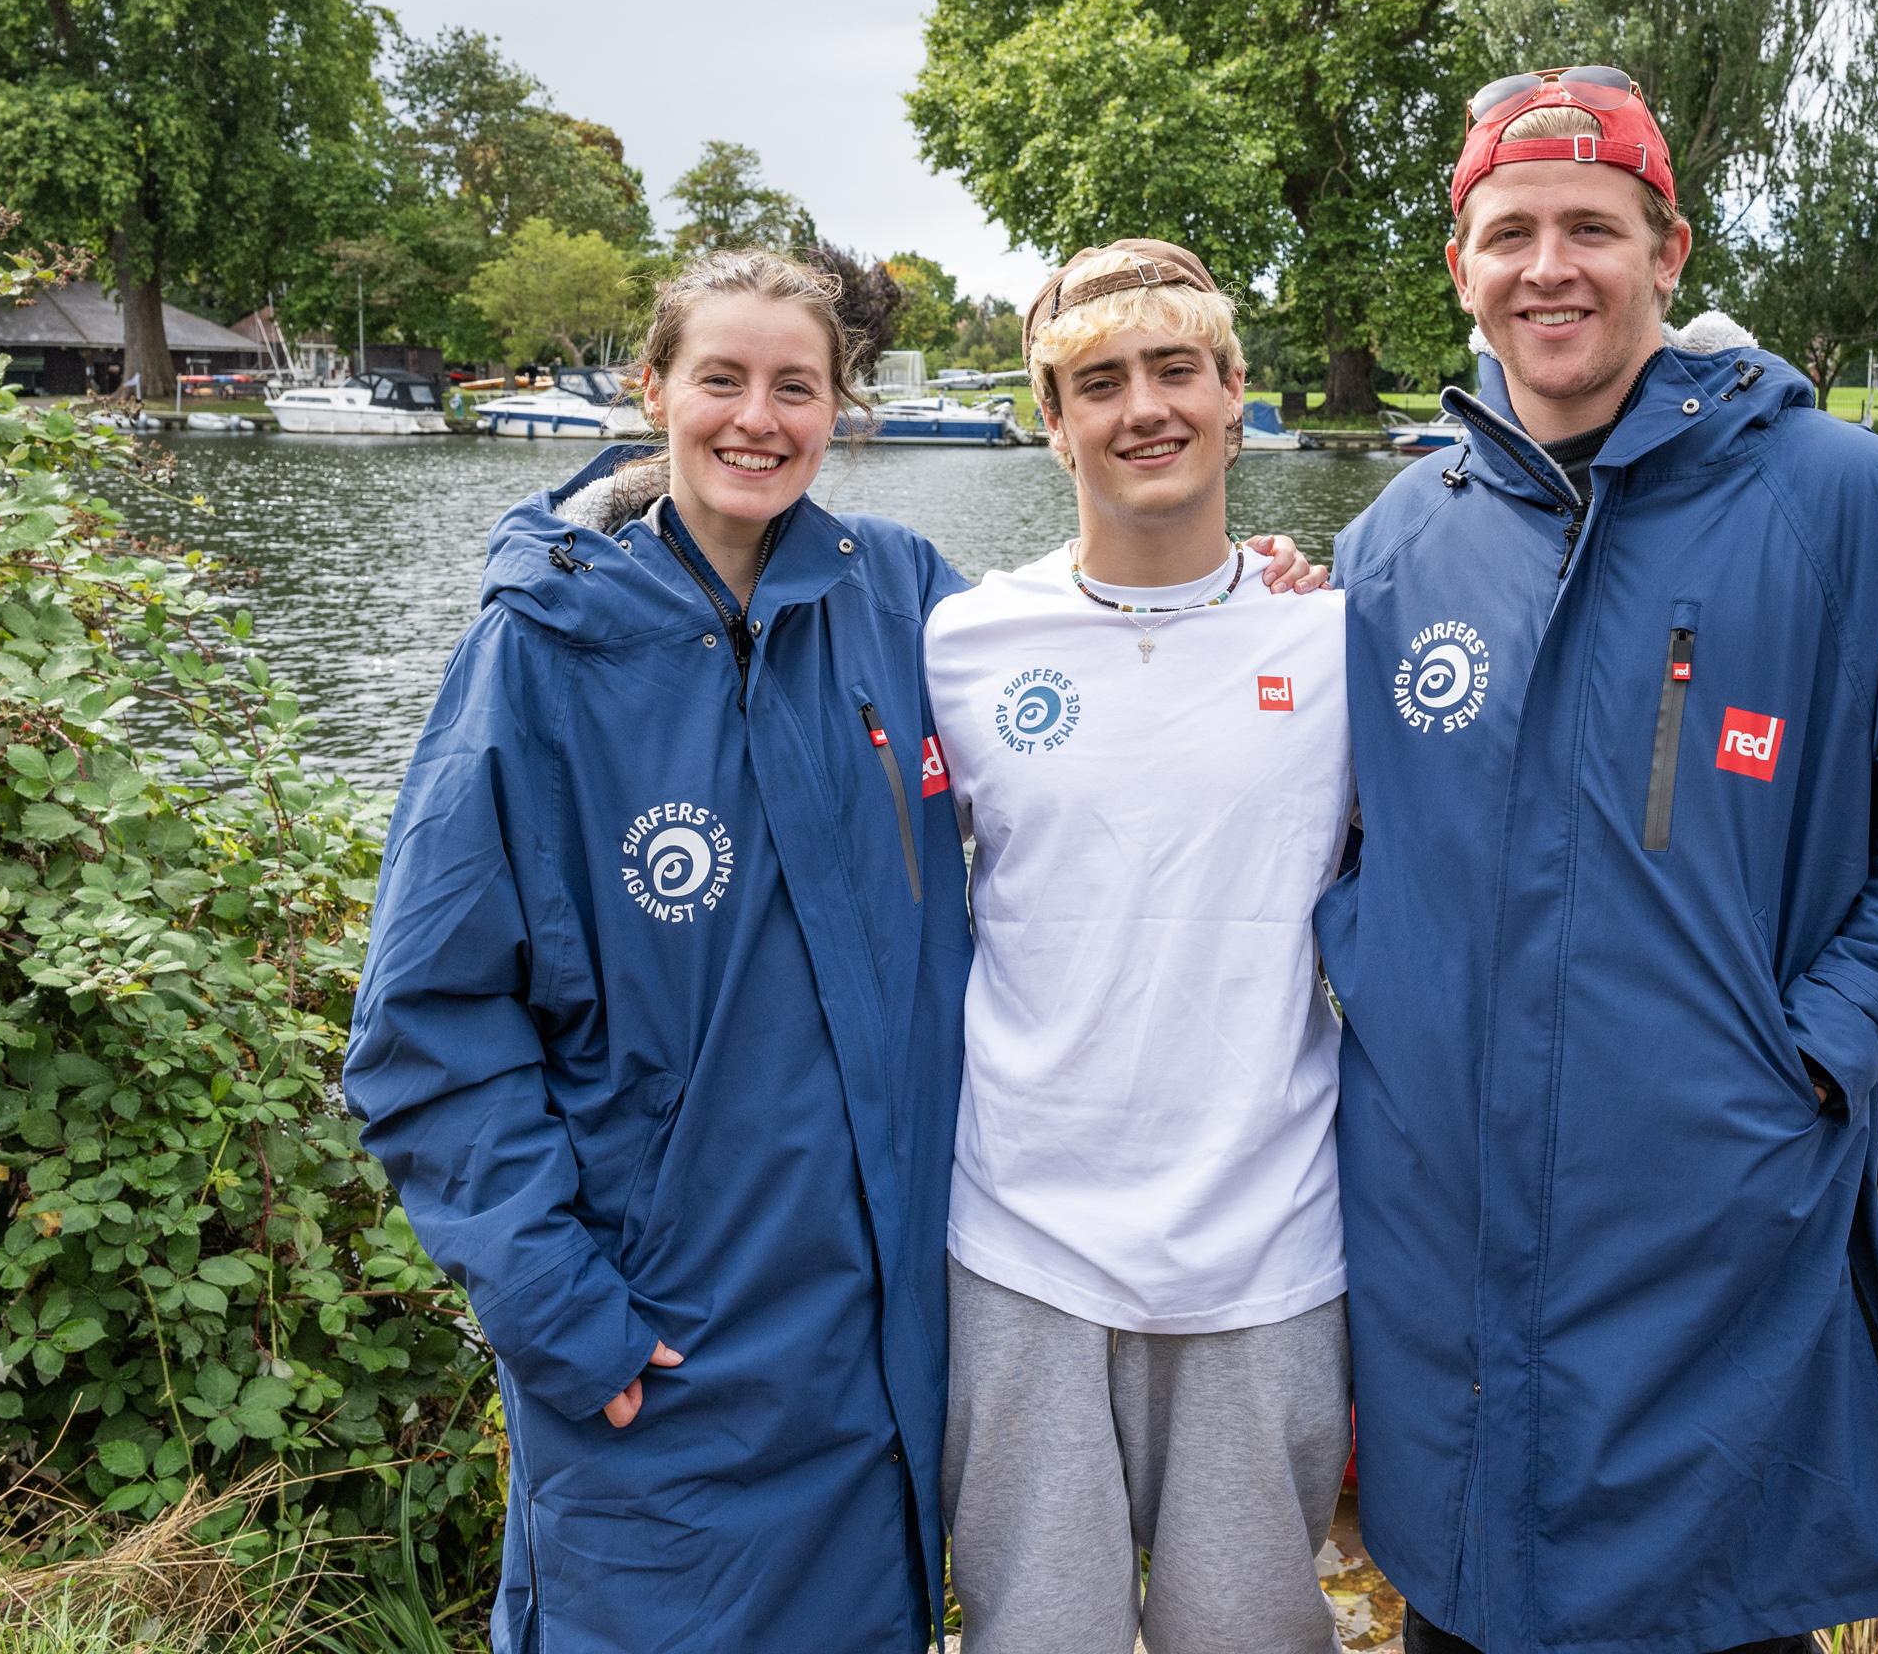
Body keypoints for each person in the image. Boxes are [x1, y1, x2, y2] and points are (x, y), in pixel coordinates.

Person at [343, 247, 1320, 1653]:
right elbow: (427, 1028)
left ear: (840, 408)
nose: (758, 418)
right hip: (660, 1342)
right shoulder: (541, 654)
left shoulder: (901, 602)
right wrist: (562, 1314)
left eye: (795, 386)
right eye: (720, 379)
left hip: (877, 1349)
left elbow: (1102, 669)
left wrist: (1255, 595)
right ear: (653, 390)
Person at [1314, 70, 1878, 1654]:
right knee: (1459, 1606)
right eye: (1510, 233)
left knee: (1703, 1613)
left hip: (1709, 1225)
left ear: (1671, 252)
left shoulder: (1836, 501)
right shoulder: (1394, 545)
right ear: (1461, 268)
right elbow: (1309, 835)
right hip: (1442, 1226)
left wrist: (1821, 1046)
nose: (1548, 268)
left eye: (1593, 228)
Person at [925, 241, 1356, 1654]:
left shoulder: (1344, 641)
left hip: (1265, 1246)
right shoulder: (963, 644)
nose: (1143, 408)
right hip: (1020, 1245)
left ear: (1239, 395)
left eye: (1178, 370)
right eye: (1097, 383)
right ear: (1050, 422)